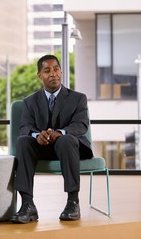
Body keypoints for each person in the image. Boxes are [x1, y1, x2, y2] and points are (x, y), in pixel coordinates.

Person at [10, 54, 93, 223]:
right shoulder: (30, 102)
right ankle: (28, 205)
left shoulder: (78, 98)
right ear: (40, 75)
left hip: (69, 148)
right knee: (23, 141)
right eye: (47, 70)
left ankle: (73, 202)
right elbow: (25, 127)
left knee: (66, 139)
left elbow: (80, 126)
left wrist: (60, 132)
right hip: (41, 148)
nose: (53, 73)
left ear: (61, 72)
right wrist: (36, 135)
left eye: (56, 69)